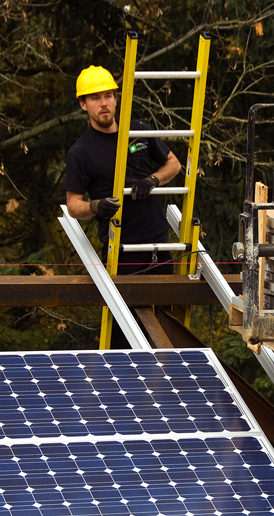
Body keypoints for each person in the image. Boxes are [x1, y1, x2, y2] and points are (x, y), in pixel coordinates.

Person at [64, 65, 182, 347]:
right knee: (125, 332)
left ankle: (164, 387)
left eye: (108, 96)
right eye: (95, 98)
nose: (103, 103)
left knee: (164, 323)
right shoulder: (81, 152)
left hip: (158, 244)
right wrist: (95, 206)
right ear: (83, 104)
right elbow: (73, 205)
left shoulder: (138, 130)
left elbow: (174, 164)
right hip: (121, 250)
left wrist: (153, 179)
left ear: (116, 98)